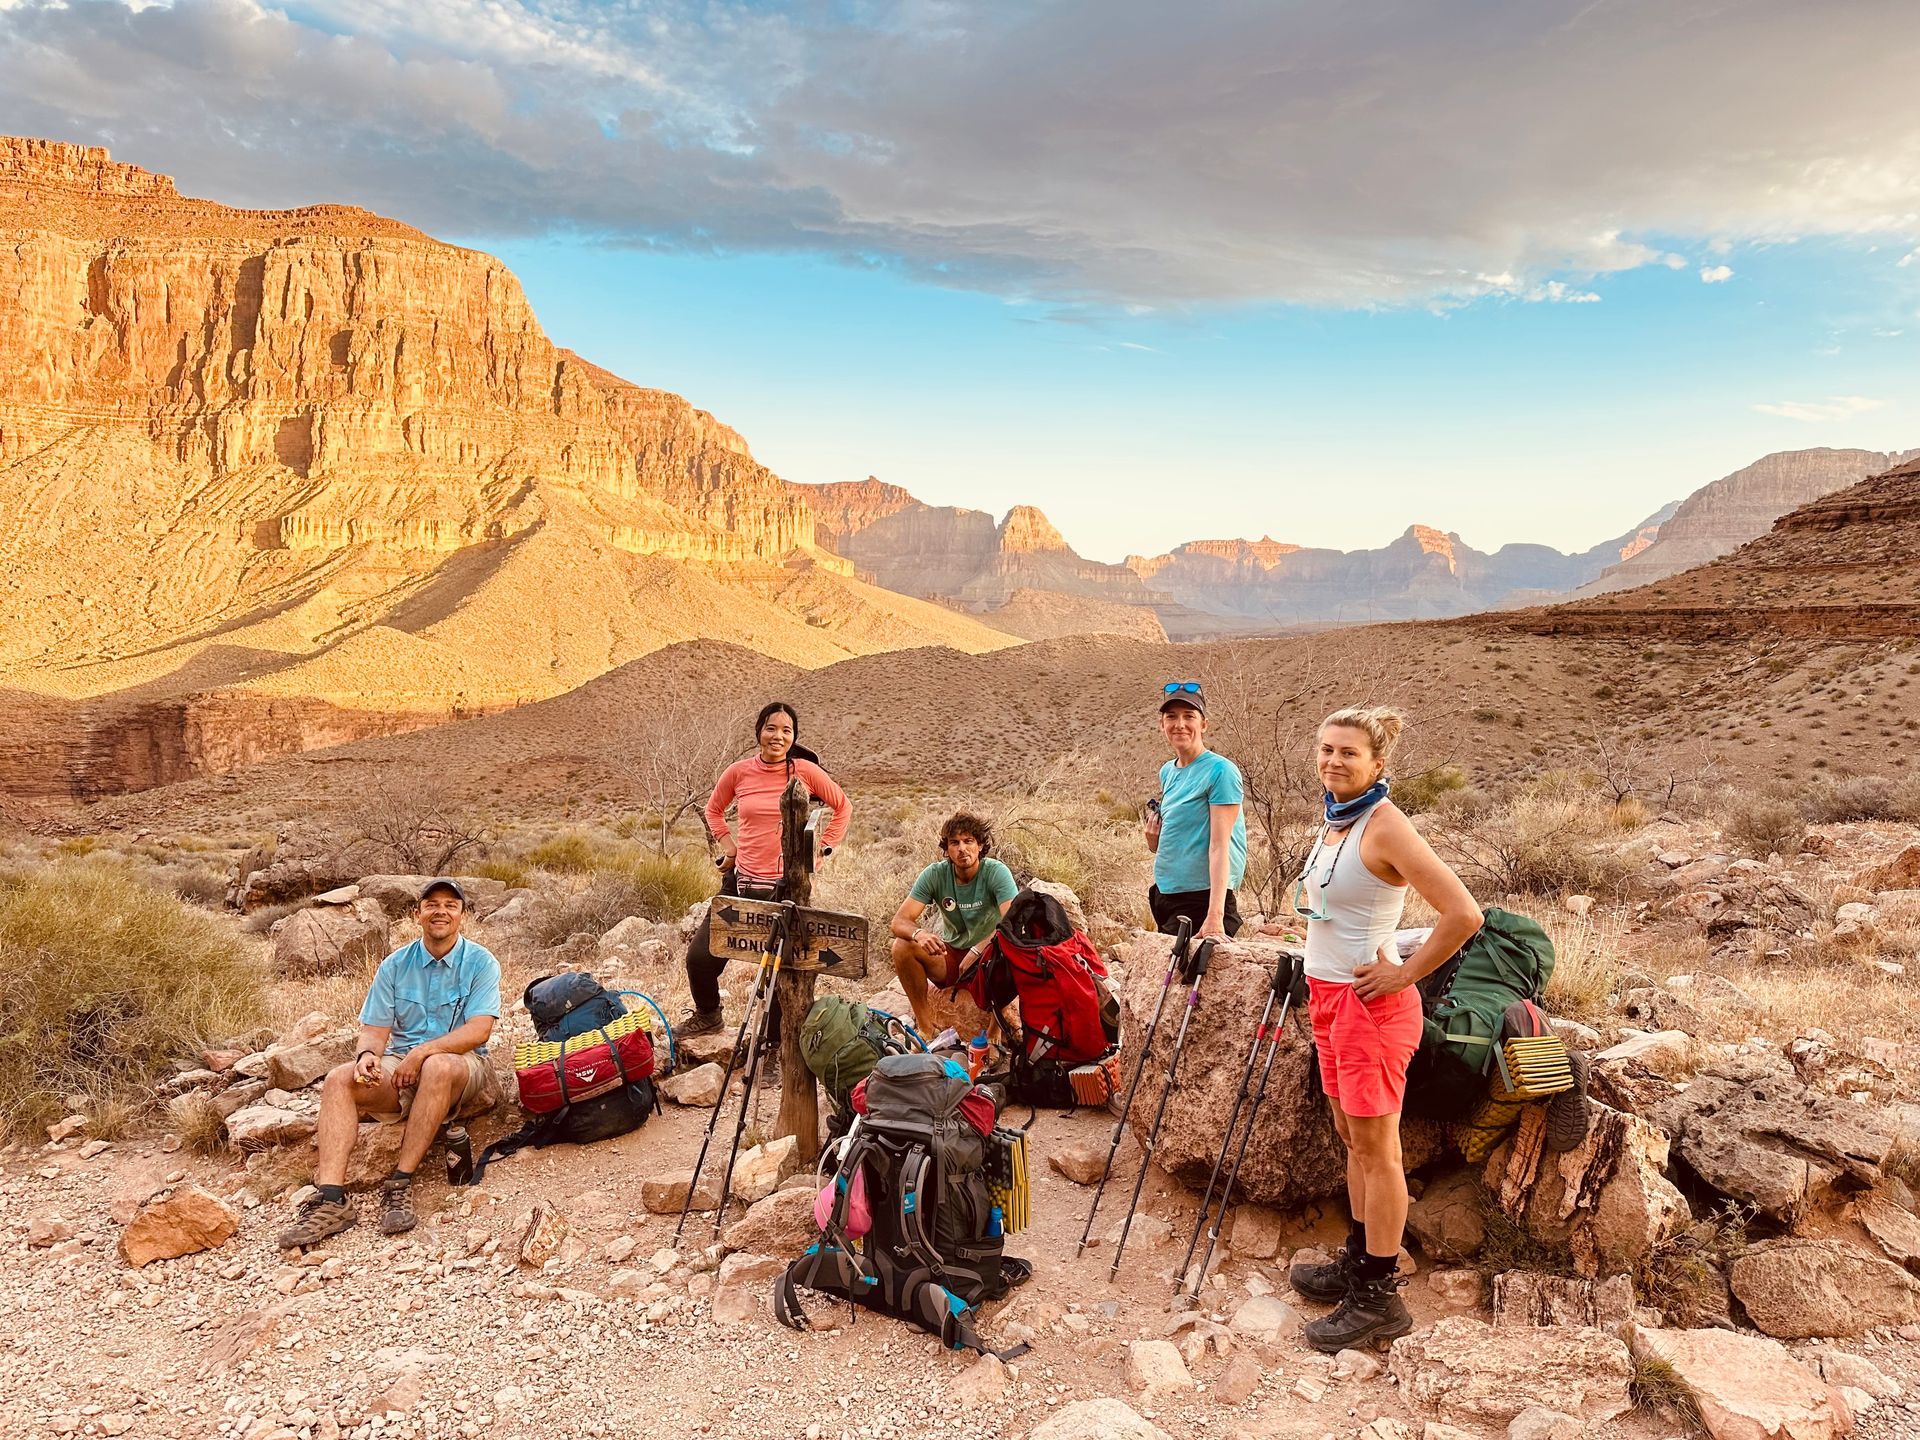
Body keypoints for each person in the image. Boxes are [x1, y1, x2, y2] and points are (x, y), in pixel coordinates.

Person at [1285, 706, 1482, 1352]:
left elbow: (1463, 913)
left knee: (1379, 1149)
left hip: (1371, 1009)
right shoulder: (1336, 822)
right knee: (1351, 1137)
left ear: (1378, 764)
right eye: (1326, 749)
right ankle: (1359, 1260)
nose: (1334, 761)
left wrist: (1404, 975)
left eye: (1348, 753)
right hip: (1330, 998)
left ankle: (1379, 1297)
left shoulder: (1385, 825)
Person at [277, 880, 502, 1248]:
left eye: (450, 905)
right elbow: (374, 1029)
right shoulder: (395, 965)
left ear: (462, 915)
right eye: (431, 904)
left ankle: (399, 1183)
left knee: (438, 1066)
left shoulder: (480, 962)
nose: (440, 912)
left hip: (462, 1065)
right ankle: (332, 1198)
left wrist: (420, 1053)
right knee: (339, 1078)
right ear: (418, 913)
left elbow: (479, 1030)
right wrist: (368, 1056)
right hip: (402, 1065)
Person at [677, 702, 851, 1053]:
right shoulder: (739, 772)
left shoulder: (804, 771)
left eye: (787, 730)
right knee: (700, 958)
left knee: (779, 974)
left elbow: (843, 806)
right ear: (759, 731)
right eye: (772, 728)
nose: (779, 736)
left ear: (794, 737)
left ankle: (773, 1048)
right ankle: (709, 1014)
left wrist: (822, 850)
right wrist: (729, 848)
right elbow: (713, 810)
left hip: (784, 889)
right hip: (741, 883)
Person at [888, 812, 1019, 1037]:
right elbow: (899, 921)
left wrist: (978, 950)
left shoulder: (996, 872)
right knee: (902, 946)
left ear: (980, 845)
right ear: (946, 848)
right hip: (952, 957)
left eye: (968, 841)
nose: (962, 849)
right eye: (954, 843)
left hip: (989, 957)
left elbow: (1012, 922)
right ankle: (926, 1030)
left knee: (1011, 951)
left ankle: (994, 1033)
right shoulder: (936, 874)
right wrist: (919, 933)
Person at [1143, 681, 1247, 938]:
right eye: (1171, 717)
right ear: (1162, 725)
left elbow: (1220, 846)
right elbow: (1183, 833)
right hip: (1166, 894)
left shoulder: (1220, 771)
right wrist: (1153, 842)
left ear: (1203, 724)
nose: (1179, 724)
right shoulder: (1168, 771)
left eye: (1189, 716)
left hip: (1201, 899)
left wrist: (1215, 916)